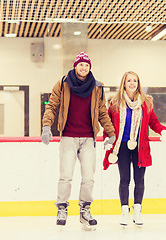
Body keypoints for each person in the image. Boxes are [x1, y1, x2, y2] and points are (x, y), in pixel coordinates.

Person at [41, 52, 116, 231]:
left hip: (89, 138)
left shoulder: (97, 86)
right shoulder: (63, 83)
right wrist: (46, 126)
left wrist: (110, 132)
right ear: (75, 66)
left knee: (88, 178)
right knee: (66, 176)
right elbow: (52, 106)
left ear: (90, 67)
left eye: (87, 65)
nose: (84, 68)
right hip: (68, 136)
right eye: (81, 64)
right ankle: (62, 209)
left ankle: (85, 209)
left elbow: (102, 111)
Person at [102, 71, 166, 226]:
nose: (132, 83)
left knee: (139, 180)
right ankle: (125, 212)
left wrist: (163, 131)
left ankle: (138, 211)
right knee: (124, 180)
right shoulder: (115, 103)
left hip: (140, 147)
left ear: (138, 84)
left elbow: (153, 122)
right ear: (124, 84)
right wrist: (107, 138)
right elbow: (108, 124)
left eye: (135, 81)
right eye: (129, 81)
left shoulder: (145, 103)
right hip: (121, 148)